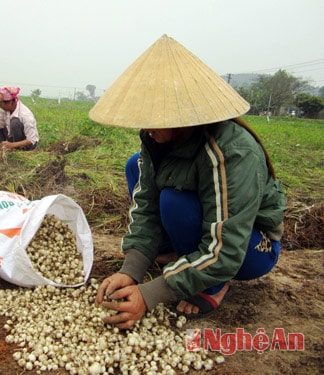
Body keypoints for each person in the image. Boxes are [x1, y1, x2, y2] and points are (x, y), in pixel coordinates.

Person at [89, 35, 286, 328]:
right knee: (136, 165)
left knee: (174, 201)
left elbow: (227, 250)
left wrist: (151, 293)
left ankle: (212, 284)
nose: (145, 127)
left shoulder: (231, 153)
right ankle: (183, 256)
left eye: (152, 118)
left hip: (250, 248)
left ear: (178, 117)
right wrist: (131, 271)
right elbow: (146, 209)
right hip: (211, 227)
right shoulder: (156, 139)